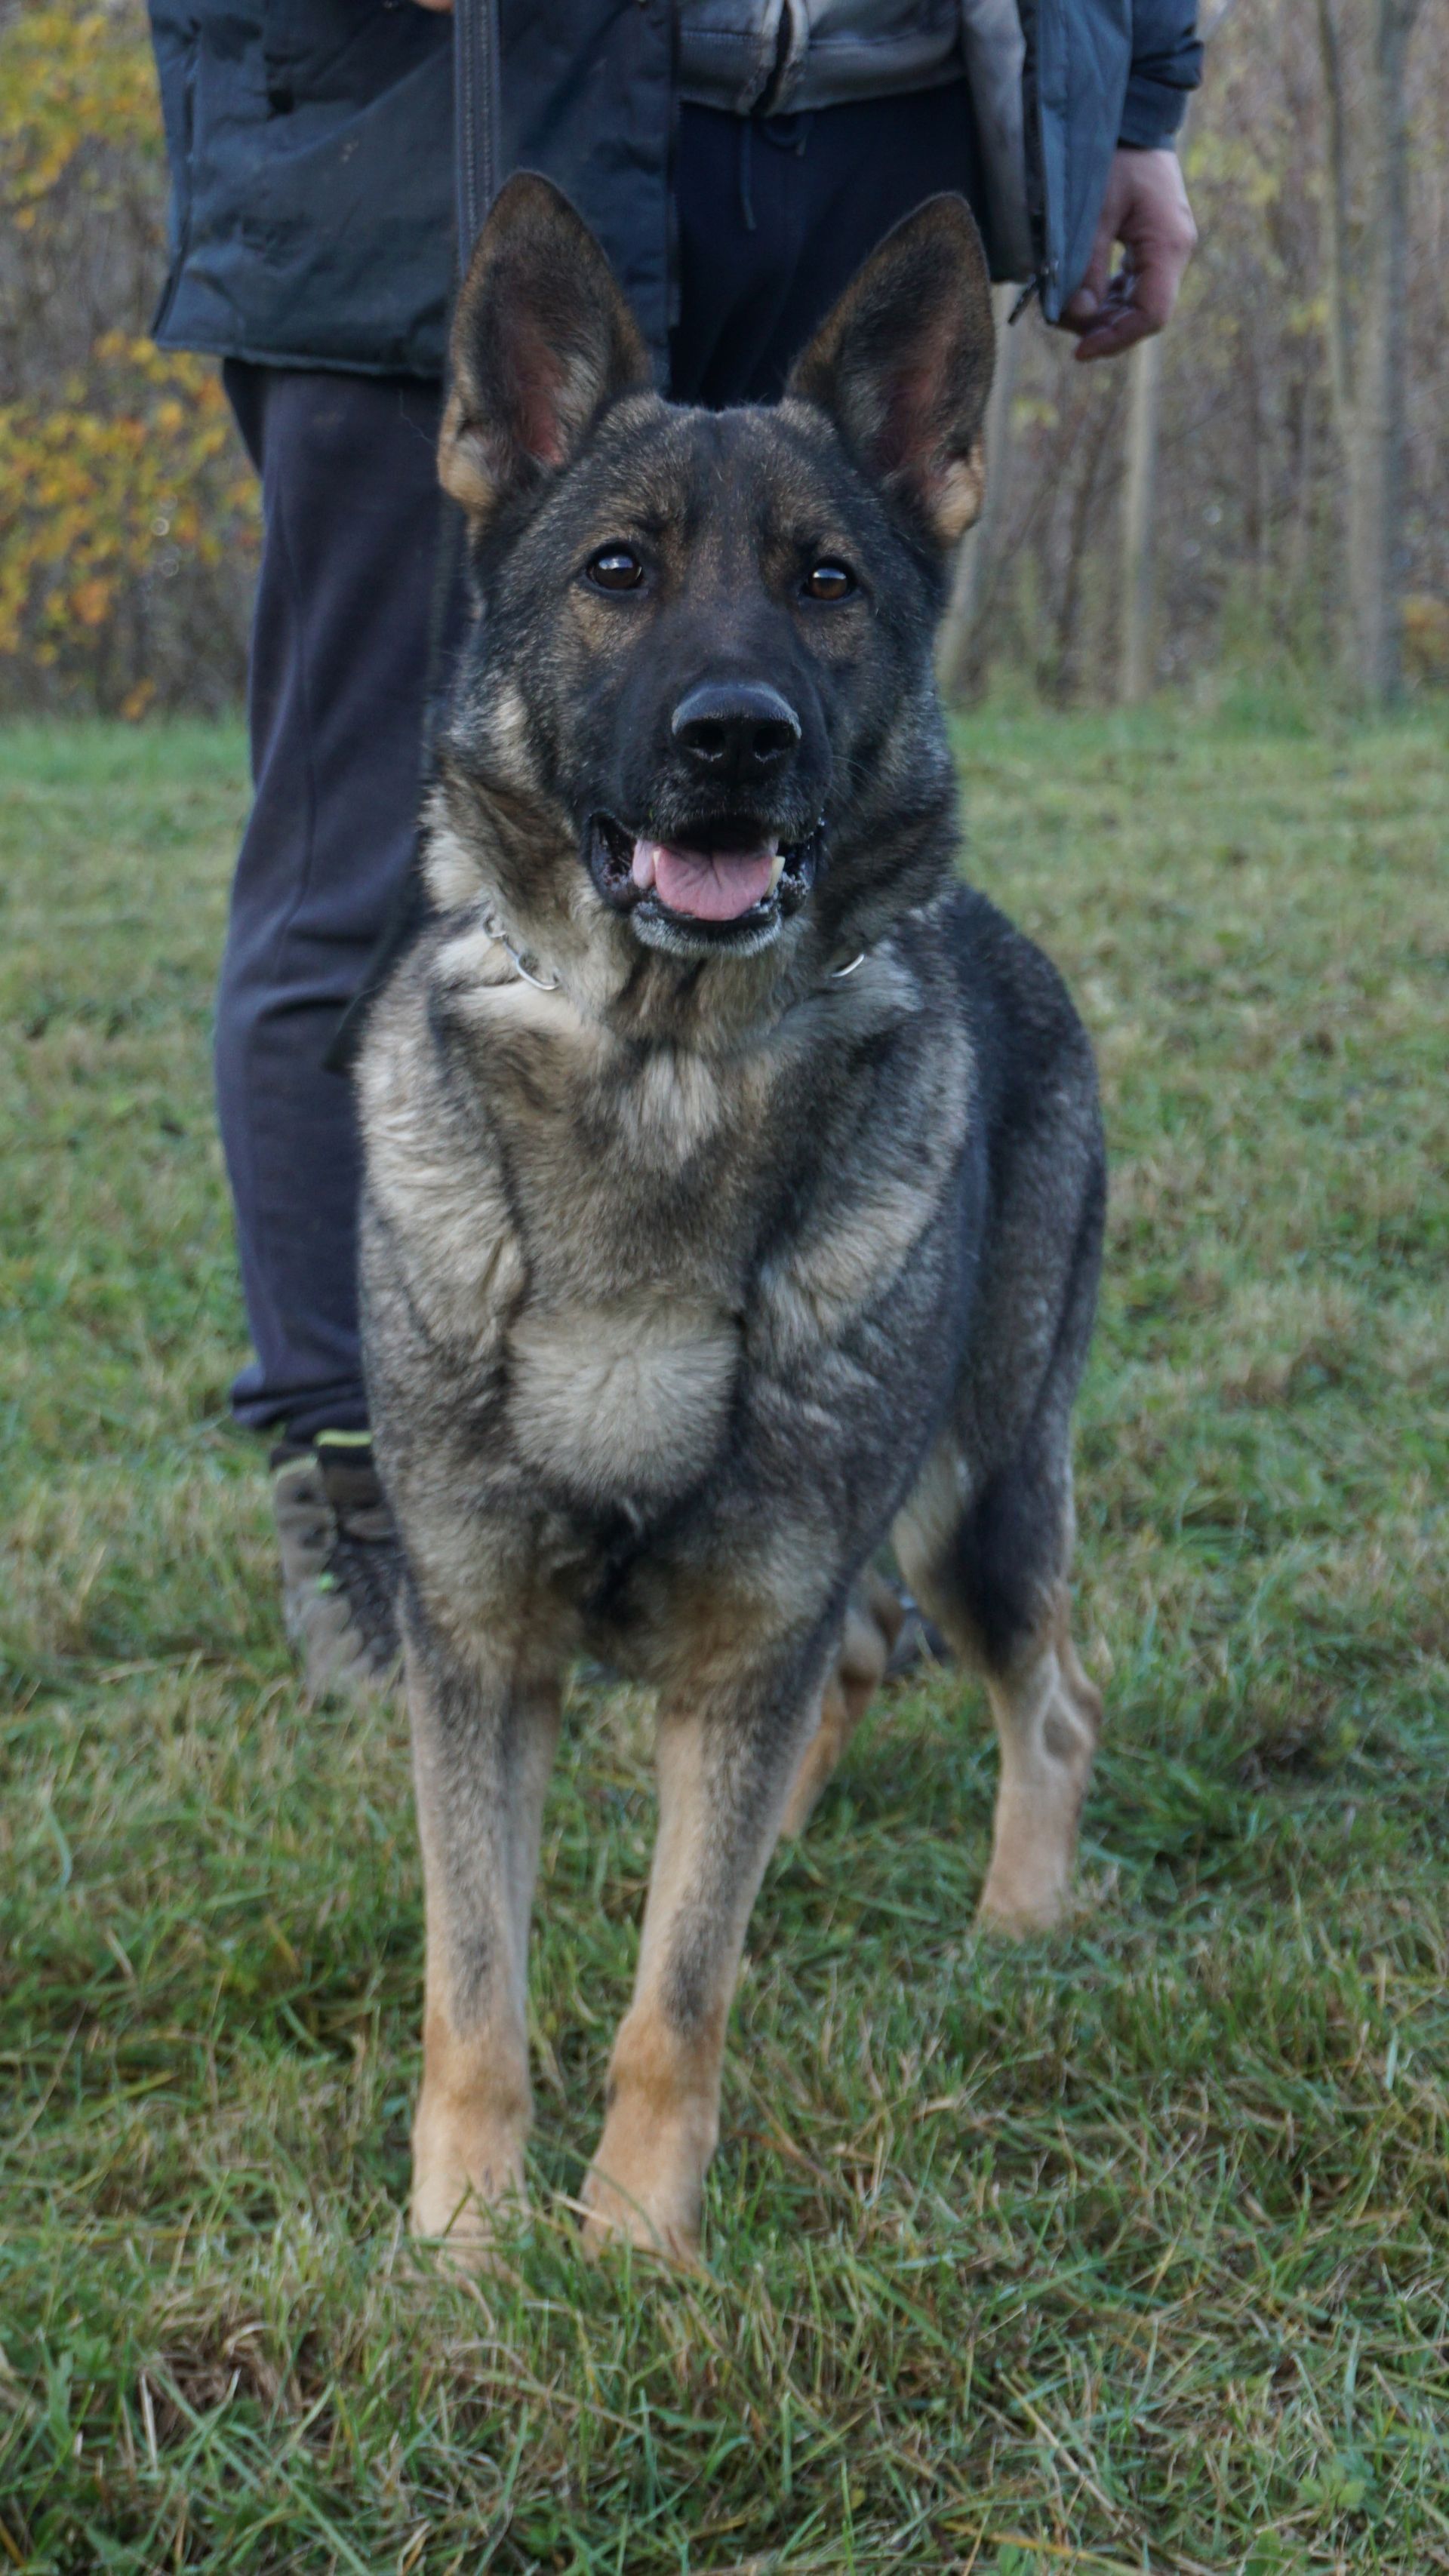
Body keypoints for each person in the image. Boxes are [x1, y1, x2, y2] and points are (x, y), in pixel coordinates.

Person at [146, 0, 1201, 1698]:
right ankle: (361, 1476)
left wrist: (1140, 92)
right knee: (364, 868)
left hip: (879, 99)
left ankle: (774, 1487)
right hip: (431, 103)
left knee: (798, 846)